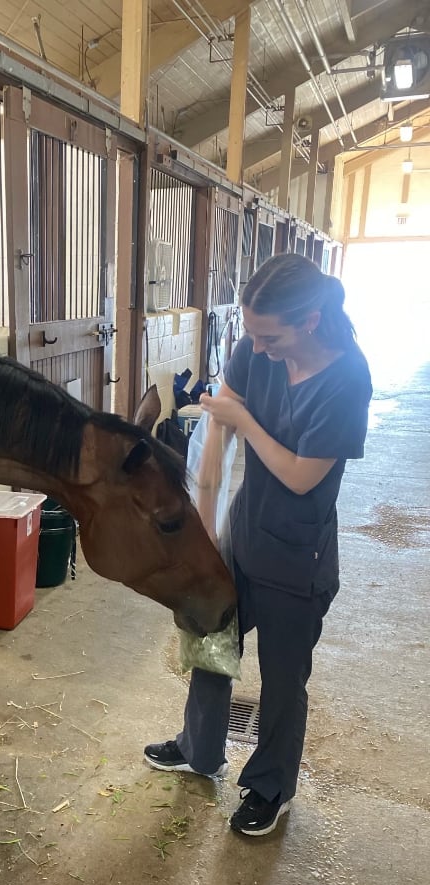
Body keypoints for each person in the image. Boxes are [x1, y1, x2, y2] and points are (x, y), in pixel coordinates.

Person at [143, 253, 372, 837]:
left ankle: (270, 787)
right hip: (244, 533)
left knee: (282, 678)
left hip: (298, 556)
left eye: (270, 337)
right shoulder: (254, 348)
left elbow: (299, 476)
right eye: (252, 333)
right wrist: (204, 528)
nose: (258, 346)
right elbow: (218, 430)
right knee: (211, 638)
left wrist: (246, 422)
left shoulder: (347, 379)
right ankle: (199, 749)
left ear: (310, 322)